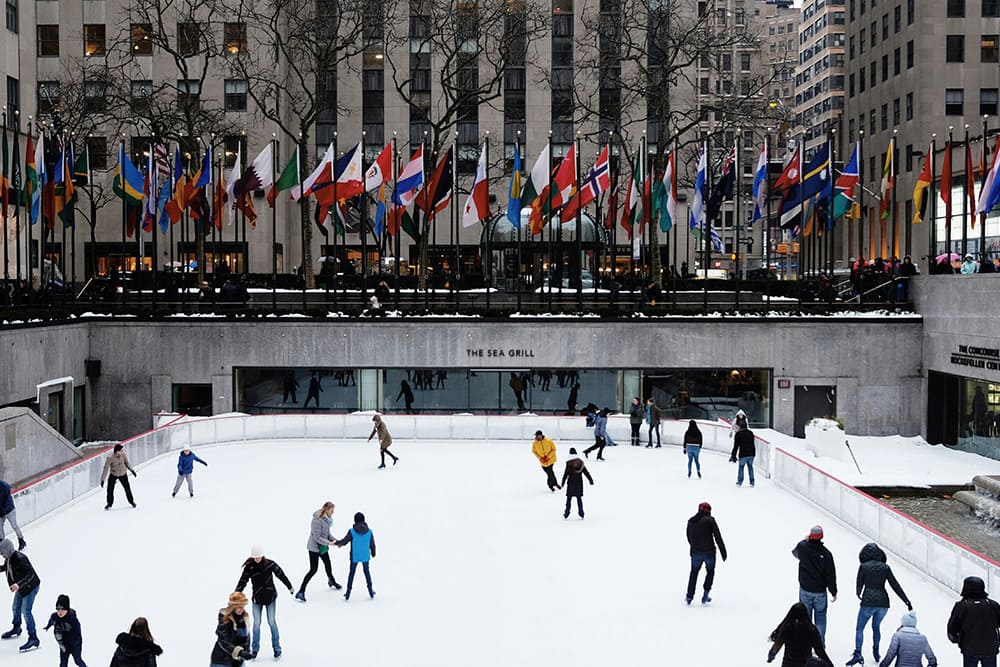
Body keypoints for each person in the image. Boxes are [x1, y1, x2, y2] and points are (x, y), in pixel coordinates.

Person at [848, 543, 913, 665]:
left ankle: (858, 653)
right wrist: (906, 601)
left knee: (860, 628)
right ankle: (876, 652)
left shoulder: (863, 566)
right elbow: (895, 585)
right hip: (883, 602)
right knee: (876, 627)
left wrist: (859, 594)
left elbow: (859, 584)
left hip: (868, 601)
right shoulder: (885, 568)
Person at [236, 545, 294, 660]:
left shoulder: (270, 564)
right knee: (256, 624)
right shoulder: (249, 567)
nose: (257, 559)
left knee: (272, 622)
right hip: (257, 599)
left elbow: (280, 574)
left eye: (259, 557)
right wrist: (236, 594)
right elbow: (243, 581)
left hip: (270, 598)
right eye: (255, 557)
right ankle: (255, 650)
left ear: (263, 555)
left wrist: (289, 586)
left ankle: (277, 648)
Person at [793, 525, 838, 644]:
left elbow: (795, 553)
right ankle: (819, 644)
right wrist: (833, 591)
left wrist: (805, 540)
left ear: (810, 536)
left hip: (805, 589)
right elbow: (830, 574)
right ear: (822, 537)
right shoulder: (826, 554)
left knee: (805, 618)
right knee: (821, 618)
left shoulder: (802, 547)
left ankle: (805, 644)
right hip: (820, 592)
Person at [947, 575, 1000, 667]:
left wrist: (958, 640)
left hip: (969, 648)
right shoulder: (993, 605)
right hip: (990, 648)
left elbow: (952, 628)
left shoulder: (962, 606)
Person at [294, 501, 342, 602]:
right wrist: (329, 543)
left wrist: (336, 541)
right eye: (332, 511)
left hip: (323, 548)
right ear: (327, 510)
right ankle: (301, 591)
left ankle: (331, 581)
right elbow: (317, 538)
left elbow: (328, 534)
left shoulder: (327, 520)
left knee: (328, 565)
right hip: (314, 549)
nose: (333, 513)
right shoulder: (316, 520)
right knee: (313, 570)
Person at [0, 538, 41, 651]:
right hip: (21, 588)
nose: (1, 554)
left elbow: (30, 574)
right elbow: (6, 568)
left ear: (7, 549)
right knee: (15, 607)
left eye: (1, 552)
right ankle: (17, 627)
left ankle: (34, 638)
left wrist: (18, 584)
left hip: (30, 587)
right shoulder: (9, 558)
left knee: (26, 611)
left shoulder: (20, 558)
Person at [767, 602, 835, 667]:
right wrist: (829, 664)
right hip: (804, 663)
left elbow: (777, 644)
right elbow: (819, 650)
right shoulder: (811, 629)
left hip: (788, 663)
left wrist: (771, 656)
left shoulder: (787, 627)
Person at [685, 502, 727, 605]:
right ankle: (705, 594)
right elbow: (717, 536)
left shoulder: (691, 521)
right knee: (710, 572)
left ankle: (689, 596)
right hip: (709, 553)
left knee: (694, 573)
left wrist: (693, 547)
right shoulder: (710, 520)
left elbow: (689, 537)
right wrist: (723, 551)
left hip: (696, 553)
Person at [334, 511, 377, 601]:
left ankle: (348, 593)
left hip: (355, 556)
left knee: (352, 573)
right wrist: (373, 553)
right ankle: (371, 591)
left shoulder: (352, 531)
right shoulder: (369, 531)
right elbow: (372, 544)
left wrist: (337, 543)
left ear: (355, 521)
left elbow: (345, 541)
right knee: (367, 573)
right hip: (365, 556)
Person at [43, 594, 86, 667]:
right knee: (63, 664)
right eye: (58, 609)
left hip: (75, 645)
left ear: (67, 609)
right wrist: (48, 626)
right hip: (63, 644)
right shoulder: (55, 616)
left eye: (63, 609)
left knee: (78, 661)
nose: (60, 612)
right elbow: (52, 619)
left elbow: (78, 633)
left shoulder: (72, 620)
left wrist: (73, 643)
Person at [210, 592, 252, 667]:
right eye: (239, 607)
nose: (242, 609)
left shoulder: (243, 618)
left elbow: (247, 636)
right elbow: (224, 642)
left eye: (243, 606)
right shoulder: (225, 619)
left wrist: (246, 651)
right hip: (222, 661)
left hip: (238, 660)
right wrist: (240, 652)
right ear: (233, 606)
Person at [101, 444, 137, 510]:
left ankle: (131, 501)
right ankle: (109, 504)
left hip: (123, 474)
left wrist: (132, 470)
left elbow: (127, 463)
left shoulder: (123, 455)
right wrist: (102, 479)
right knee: (110, 490)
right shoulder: (110, 458)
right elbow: (105, 468)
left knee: (127, 488)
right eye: (121, 451)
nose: (123, 452)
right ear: (117, 451)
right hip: (114, 474)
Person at [560, 448, 594, 519]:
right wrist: (590, 480)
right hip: (579, 483)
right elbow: (586, 472)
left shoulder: (569, 463)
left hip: (571, 484)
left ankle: (566, 513)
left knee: (569, 499)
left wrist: (562, 483)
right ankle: (581, 513)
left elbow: (565, 474)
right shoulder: (580, 463)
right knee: (579, 499)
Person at [0, 479, 26, 550]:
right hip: (1, 512)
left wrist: (4, 509)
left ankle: (21, 540)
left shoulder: (3, 485)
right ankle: (2, 543)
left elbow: (8, 499)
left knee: (14, 525)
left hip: (9, 510)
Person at [730, 421, 757, 487]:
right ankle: (752, 481)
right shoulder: (750, 433)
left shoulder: (738, 434)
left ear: (740, 427)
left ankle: (740, 481)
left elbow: (736, 446)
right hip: (751, 453)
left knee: (741, 467)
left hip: (743, 454)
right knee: (750, 467)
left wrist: (733, 455)